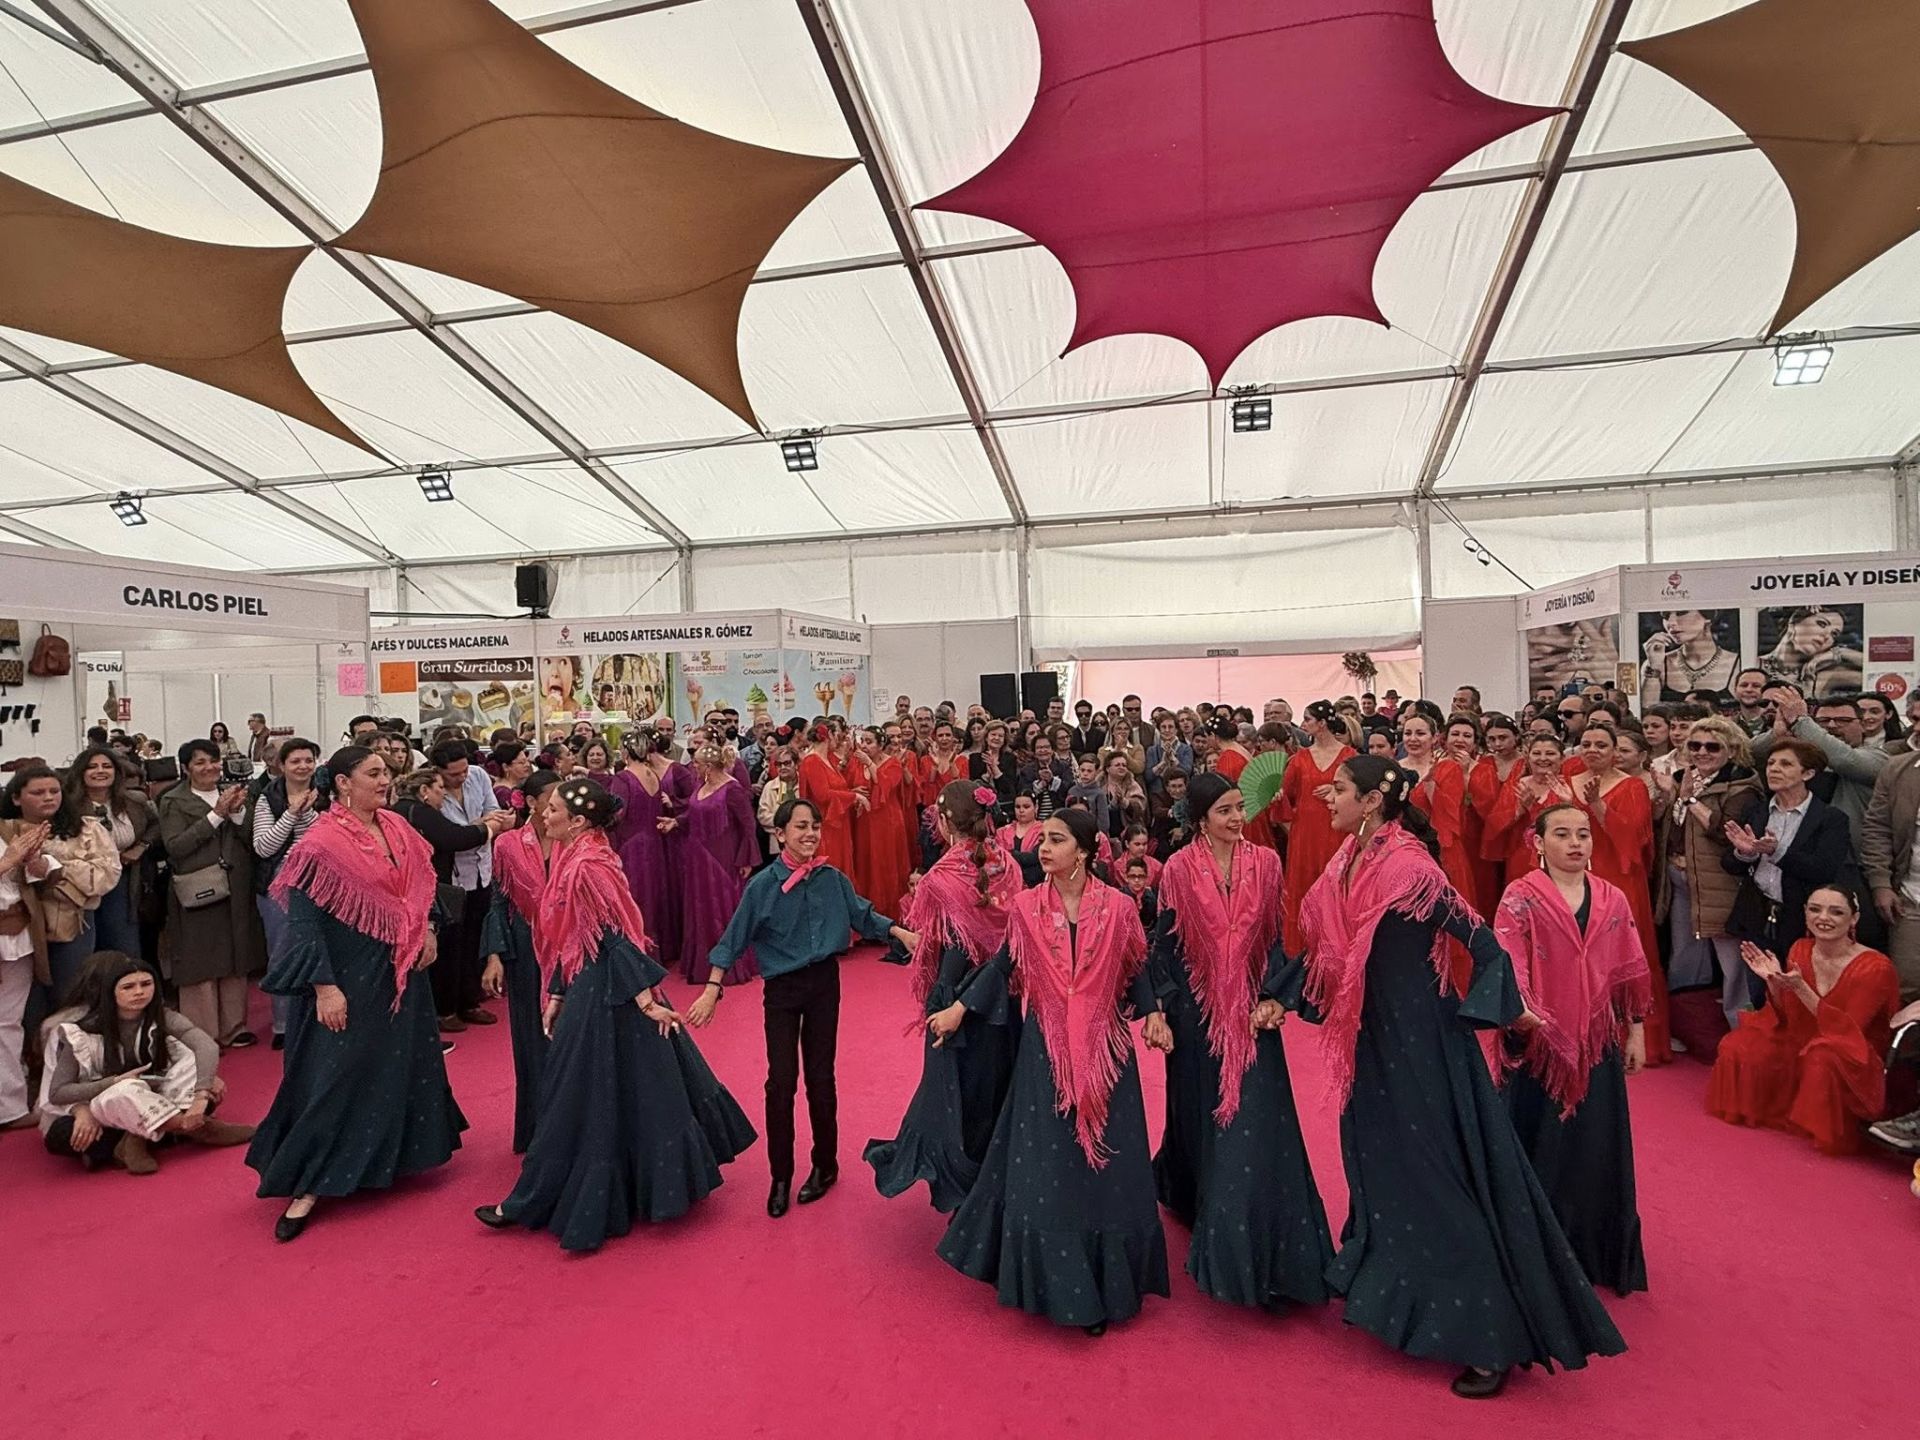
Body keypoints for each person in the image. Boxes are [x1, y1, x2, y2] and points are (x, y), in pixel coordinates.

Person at [1296, 754, 1625, 1397]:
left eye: (1338, 789)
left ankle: (1488, 1335)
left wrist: (1504, 1008)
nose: (1326, 798)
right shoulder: (1347, 859)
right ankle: (1387, 1289)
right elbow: (1325, 948)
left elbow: (1479, 938)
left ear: (1371, 801)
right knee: (1378, 1165)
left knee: (1436, 1176)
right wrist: (1280, 994)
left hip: (1421, 1045)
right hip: (1369, 1040)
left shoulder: (1410, 868)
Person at [474, 778, 753, 1251]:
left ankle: (538, 1198)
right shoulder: (582, 856)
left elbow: (615, 937)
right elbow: (576, 937)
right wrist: (559, 991)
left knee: (575, 1095)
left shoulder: (587, 867)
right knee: (620, 1091)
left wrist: (645, 1001)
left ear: (578, 822)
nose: (545, 814)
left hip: (608, 993)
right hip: (593, 986)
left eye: (554, 809)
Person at [931, 809, 1173, 1334]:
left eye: (1057, 840)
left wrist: (1154, 1014)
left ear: (1083, 850)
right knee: (1051, 1167)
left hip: (1108, 1053)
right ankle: (1058, 1282)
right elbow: (1004, 966)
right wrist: (960, 1009)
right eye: (1043, 840)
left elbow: (1135, 968)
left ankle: (1109, 1281)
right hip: (1045, 1054)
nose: (1043, 848)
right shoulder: (1025, 907)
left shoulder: (1120, 907)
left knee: (1106, 1168)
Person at [247, 747, 467, 1240]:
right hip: (346, 976)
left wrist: (429, 928)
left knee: (400, 1062)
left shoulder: (398, 827)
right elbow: (304, 924)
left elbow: (422, 886)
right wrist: (325, 987)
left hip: (402, 971)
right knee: (334, 1073)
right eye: (373, 773)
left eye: (386, 772)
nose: (384, 780)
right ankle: (308, 1183)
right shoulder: (319, 843)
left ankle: (393, 1159)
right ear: (343, 783)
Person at [1148, 773, 1332, 1311]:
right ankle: (1191, 1199)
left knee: (1254, 1123)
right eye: (1224, 810)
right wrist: (1160, 1006)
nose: (1236, 819)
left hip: (1252, 1015)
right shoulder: (1177, 869)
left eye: (1238, 808)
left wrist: (1275, 995)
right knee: (1196, 1111)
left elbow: (1275, 937)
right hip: (1195, 1011)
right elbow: (1166, 943)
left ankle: (1258, 1252)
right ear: (1201, 818)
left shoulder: (1267, 863)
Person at [689, 797, 916, 1216]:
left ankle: (825, 1166)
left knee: (820, 1078)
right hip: (782, 991)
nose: (810, 834)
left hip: (824, 984)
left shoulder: (832, 879)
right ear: (780, 834)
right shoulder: (762, 887)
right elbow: (734, 938)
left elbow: (863, 916)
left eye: (814, 826)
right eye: (800, 826)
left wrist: (902, 934)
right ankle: (780, 1176)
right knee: (780, 1082)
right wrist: (712, 989)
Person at [1493, 806, 1649, 1296]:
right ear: (1538, 843)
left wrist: (1636, 1031)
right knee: (1541, 1144)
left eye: (1583, 834)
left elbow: (1629, 969)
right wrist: (1521, 1010)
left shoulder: (1613, 898)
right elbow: (1508, 961)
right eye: (1561, 834)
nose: (1575, 843)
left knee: (1594, 1149)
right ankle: (1535, 1255)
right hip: (1539, 1043)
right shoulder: (1520, 897)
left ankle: (1593, 1253)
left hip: (1597, 1045)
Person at [865, 782, 1022, 1211]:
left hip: (955, 994)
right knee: (994, 1087)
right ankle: (990, 1179)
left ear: (947, 822)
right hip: (1003, 995)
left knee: (952, 1094)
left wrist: (940, 997)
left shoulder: (939, 879)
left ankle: (958, 1181)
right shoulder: (1009, 864)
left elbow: (937, 943)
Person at [1708, 887, 1900, 1154]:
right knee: (1739, 1046)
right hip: (1802, 1036)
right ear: (1805, 913)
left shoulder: (1875, 967)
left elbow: (1847, 1032)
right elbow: (1787, 1015)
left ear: (1854, 919)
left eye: (1836, 912)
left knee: (1823, 1055)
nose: (1823, 918)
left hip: (1850, 1052)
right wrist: (1773, 982)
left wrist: (1801, 988)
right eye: (1815, 909)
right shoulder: (1800, 948)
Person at [38, 952, 252, 1171]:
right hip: (100, 1106)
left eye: (145, 984)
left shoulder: (159, 1016)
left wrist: (203, 1087)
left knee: (200, 1077)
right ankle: (192, 1128)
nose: (138, 992)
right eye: (128, 986)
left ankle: (136, 1139)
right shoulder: (71, 1029)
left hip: (153, 1097)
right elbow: (55, 1094)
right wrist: (90, 1102)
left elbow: (197, 1051)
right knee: (70, 1132)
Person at [1722, 739, 1852, 1006]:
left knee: (1799, 997)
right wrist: (1746, 853)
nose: (1774, 769)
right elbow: (1730, 864)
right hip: (1758, 916)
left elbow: (1823, 870)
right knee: (1760, 996)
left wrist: (1777, 852)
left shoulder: (1831, 818)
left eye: (1785, 764)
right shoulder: (1757, 810)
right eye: (1771, 763)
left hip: (1801, 921)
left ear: (1808, 773)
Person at [1570, 725, 1670, 1066]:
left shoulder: (1632, 786)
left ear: (1615, 751)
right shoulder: (1568, 780)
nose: (1593, 749)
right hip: (1575, 877)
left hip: (1619, 879)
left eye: (1601, 745)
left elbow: (1633, 840)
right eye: (1586, 743)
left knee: (1623, 953)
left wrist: (1597, 805)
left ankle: (1636, 1036)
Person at [475, 769, 561, 1155]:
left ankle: (576, 1126)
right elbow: (498, 901)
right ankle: (539, 1129)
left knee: (571, 1035)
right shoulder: (507, 845)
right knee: (531, 1038)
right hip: (524, 951)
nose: (560, 803)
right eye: (553, 797)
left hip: (570, 948)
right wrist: (494, 955)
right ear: (531, 802)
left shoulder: (576, 839)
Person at [1658, 717, 1764, 1030]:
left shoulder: (1742, 785)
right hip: (1679, 878)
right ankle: (1689, 1027)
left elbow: (1725, 832)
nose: (1702, 752)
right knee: (1684, 956)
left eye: (1712, 747)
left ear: (1731, 750)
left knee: (1733, 963)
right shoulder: (1681, 777)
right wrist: (1669, 795)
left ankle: (1742, 1033)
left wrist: (1690, 799)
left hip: (1721, 885)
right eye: (1695, 745)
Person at [391, 767, 513, 1033]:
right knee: (445, 953)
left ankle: (459, 1005)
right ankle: (445, 1011)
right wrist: (490, 828)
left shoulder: (409, 811)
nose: (443, 796)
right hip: (427, 892)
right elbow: (454, 837)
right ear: (425, 791)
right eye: (439, 790)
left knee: (457, 948)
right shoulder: (417, 812)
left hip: (439, 887)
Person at [156, 742, 262, 1048]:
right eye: (200, 762)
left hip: (236, 886)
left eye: (214, 761)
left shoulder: (235, 793)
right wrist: (215, 816)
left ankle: (234, 1027)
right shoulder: (174, 800)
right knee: (200, 959)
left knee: (235, 954)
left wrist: (238, 812)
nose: (209, 767)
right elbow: (175, 846)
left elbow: (253, 839)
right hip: (197, 888)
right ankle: (203, 1034)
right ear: (186, 768)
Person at [1, 763, 122, 1011]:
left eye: (54, 791)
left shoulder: (87, 828)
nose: (48, 797)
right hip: (20, 927)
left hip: (69, 922)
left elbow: (107, 875)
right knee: (24, 1006)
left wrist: (53, 865)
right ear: (16, 798)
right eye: (38, 792)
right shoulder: (4, 832)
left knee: (69, 997)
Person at [428, 740, 514, 1034]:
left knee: (476, 938)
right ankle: (446, 1008)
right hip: (450, 877)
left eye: (464, 770)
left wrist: (479, 827)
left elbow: (496, 814)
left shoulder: (478, 775)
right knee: (450, 945)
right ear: (439, 771)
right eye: (454, 774)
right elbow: (450, 835)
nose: (462, 777)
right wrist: (480, 826)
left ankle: (470, 1001)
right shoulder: (432, 788)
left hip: (482, 869)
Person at [250, 738, 325, 1052]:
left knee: (320, 949)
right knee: (282, 950)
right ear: (282, 765)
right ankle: (282, 1023)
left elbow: (322, 839)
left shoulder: (326, 794)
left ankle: (319, 1016)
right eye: (295, 761)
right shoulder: (267, 798)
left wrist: (307, 813)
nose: (303, 766)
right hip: (278, 882)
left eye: (309, 760)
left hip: (319, 880)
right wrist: (292, 812)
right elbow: (264, 847)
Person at [675, 744, 761, 985]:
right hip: (697, 859)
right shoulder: (701, 786)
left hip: (722, 859)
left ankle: (728, 963)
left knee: (722, 907)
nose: (693, 766)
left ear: (708, 767)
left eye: (696, 763)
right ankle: (701, 963)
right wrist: (676, 822)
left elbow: (748, 825)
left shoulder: (732, 789)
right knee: (700, 907)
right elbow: (694, 814)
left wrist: (746, 858)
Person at [63, 745, 156, 960]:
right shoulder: (67, 807)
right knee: (87, 951)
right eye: (92, 767)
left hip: (123, 883)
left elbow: (156, 826)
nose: (100, 771)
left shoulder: (135, 801)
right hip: (81, 887)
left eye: (106, 766)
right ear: (81, 772)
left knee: (124, 948)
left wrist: (141, 847)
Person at [1277, 701, 1355, 954]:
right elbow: (1285, 794)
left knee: (1336, 887)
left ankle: (1338, 947)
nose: (1303, 724)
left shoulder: (1349, 756)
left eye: (1308, 719)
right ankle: (1302, 952)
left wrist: (1337, 789)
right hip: (1305, 835)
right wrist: (1276, 797)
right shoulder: (1299, 758)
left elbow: (1360, 792)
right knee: (1304, 887)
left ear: (1322, 724)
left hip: (1338, 832)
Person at [1760, 606, 1865, 698]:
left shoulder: (1821, 677)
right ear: (1793, 622)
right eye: (1822, 624)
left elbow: (1872, 670)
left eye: (1834, 634)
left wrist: (1839, 653)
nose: (1827, 636)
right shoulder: (1755, 664)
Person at [1640, 611, 1739, 707]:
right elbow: (1647, 712)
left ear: (1707, 617)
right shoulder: (1656, 664)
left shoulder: (1737, 664)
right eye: (1665, 615)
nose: (1670, 622)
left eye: (1681, 613)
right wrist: (1654, 666)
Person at [995, 791, 1045, 887]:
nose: (1021, 810)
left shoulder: (1044, 830)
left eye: (1026, 807)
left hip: (1035, 884)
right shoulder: (1002, 832)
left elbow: (1036, 858)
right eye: (1017, 807)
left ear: (1036, 807)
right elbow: (997, 858)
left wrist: (1010, 854)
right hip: (1005, 884)